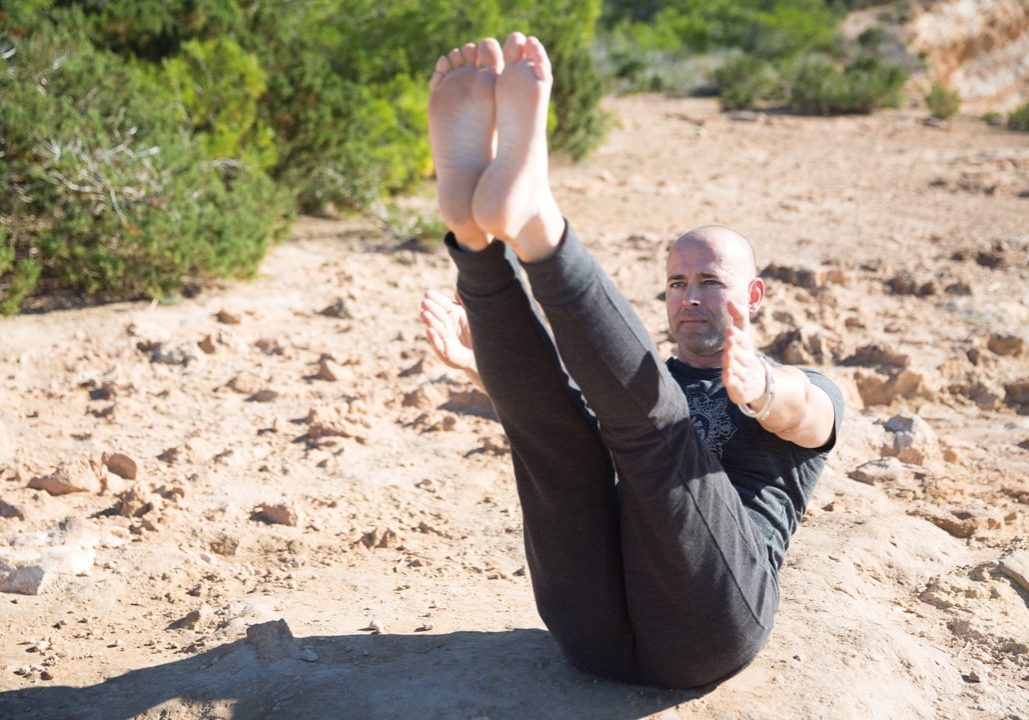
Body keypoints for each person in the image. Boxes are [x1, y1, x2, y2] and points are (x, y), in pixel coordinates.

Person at [419, 32, 844, 689]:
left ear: (753, 296)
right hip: (589, 632)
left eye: (709, 282)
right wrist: (479, 365)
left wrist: (758, 387)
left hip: (711, 624)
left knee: (658, 429)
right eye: (677, 283)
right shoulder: (647, 380)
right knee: (554, 435)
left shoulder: (799, 385)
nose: (690, 298)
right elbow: (562, 411)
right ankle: (473, 241)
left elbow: (806, 415)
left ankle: (536, 226)